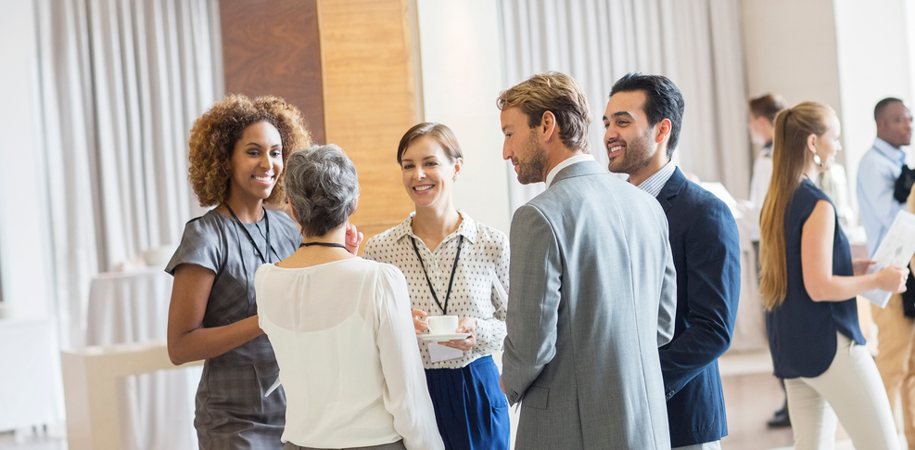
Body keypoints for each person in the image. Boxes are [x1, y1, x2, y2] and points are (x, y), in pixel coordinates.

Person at [497, 71, 677, 449]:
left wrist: (502, 390)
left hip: (568, 429)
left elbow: (531, 347)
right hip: (648, 428)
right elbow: (661, 325)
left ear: (547, 124)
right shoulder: (648, 206)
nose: (506, 152)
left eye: (509, 133)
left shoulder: (538, 216)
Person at [255, 145, 444, 450]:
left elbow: (316, 326)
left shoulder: (264, 280)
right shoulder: (379, 280)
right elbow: (408, 399)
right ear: (354, 203)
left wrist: (347, 262)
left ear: (292, 208)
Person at [165, 94, 311, 449]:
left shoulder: (289, 228)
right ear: (224, 159)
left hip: (298, 412)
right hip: (233, 422)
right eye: (253, 151)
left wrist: (342, 255)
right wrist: (262, 321)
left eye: (276, 152)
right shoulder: (205, 236)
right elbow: (180, 346)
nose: (268, 163)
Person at [603, 72, 740, 450]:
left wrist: (641, 382)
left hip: (681, 415)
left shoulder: (705, 212)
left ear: (662, 130)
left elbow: (713, 328)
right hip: (616, 416)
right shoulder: (609, 209)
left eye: (623, 122)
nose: (609, 133)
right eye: (607, 122)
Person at [760, 101, 907, 450]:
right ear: (813, 143)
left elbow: (799, 272)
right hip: (829, 345)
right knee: (884, 445)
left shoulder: (778, 197)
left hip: (792, 348)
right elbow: (819, 286)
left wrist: (849, 267)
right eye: (835, 138)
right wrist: (878, 281)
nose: (839, 146)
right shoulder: (817, 203)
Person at [362, 123, 510, 450]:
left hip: (476, 383)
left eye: (430, 163)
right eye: (408, 165)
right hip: (410, 385)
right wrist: (399, 325)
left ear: (456, 168)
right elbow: (366, 330)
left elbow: (516, 326)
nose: (418, 175)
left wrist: (478, 332)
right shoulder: (380, 249)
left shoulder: (491, 244)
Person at [857, 97, 915, 448]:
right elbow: (897, 219)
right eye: (900, 120)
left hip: (907, 277)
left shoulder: (898, 161)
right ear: (881, 125)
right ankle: (881, 442)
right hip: (889, 276)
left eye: (910, 118)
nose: (908, 125)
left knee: (912, 368)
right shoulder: (873, 165)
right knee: (893, 365)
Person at [746, 93, 792, 429]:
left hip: (771, 249)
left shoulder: (767, 158)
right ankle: (791, 398)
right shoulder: (788, 150)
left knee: (777, 324)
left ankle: (791, 398)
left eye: (751, 121)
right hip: (786, 247)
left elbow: (764, 211)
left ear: (762, 122)